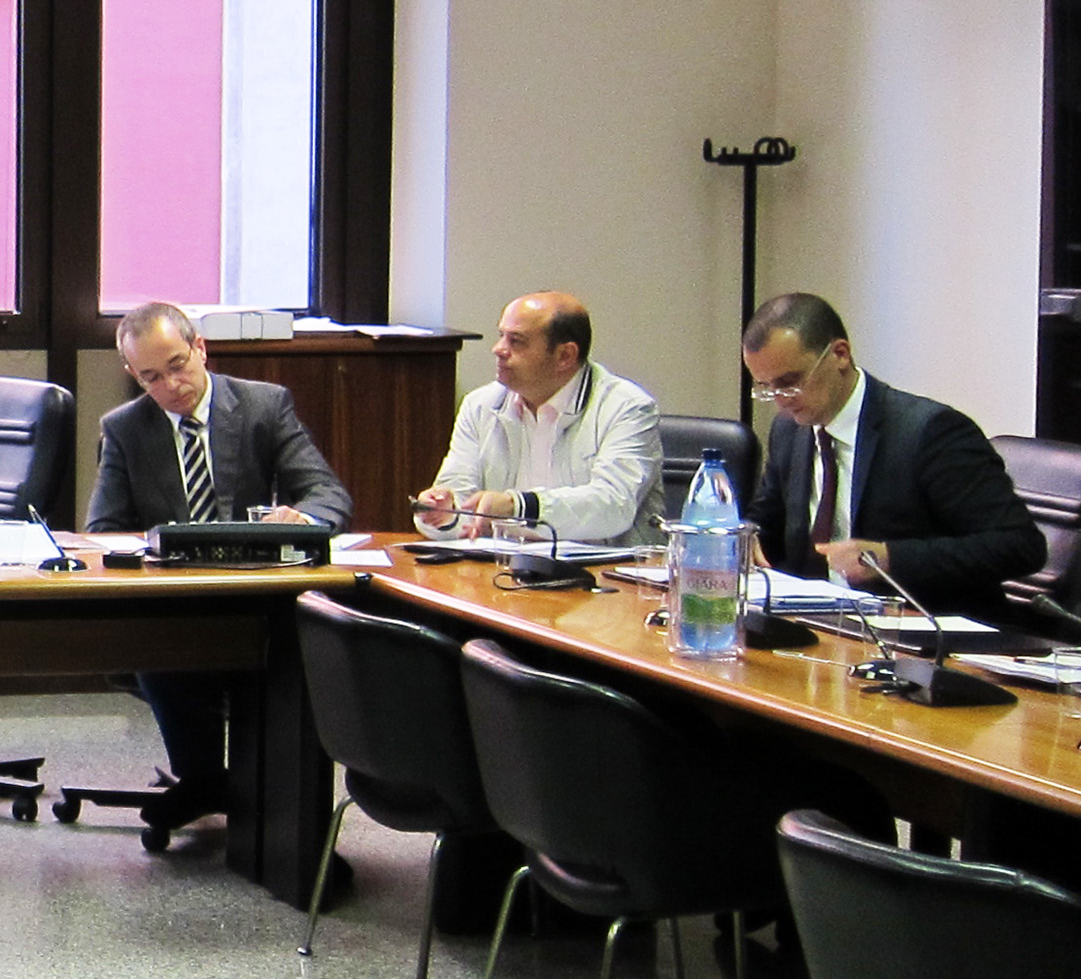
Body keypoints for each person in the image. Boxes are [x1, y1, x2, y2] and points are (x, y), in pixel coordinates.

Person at [86, 302, 352, 832]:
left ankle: (286, 816)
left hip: (261, 599)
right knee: (160, 644)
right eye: (151, 377)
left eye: (178, 365)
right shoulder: (125, 429)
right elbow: (103, 531)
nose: (172, 386)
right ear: (133, 375)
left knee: (291, 649)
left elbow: (327, 494)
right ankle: (204, 779)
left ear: (200, 349)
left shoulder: (262, 406)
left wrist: (301, 519)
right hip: (175, 603)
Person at [740, 291, 1041, 611]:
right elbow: (768, 520)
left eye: (790, 382)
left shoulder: (929, 432)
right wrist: (746, 537)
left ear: (840, 354)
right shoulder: (789, 431)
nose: (781, 400)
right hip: (820, 621)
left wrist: (889, 558)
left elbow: (1020, 545)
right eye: (767, 387)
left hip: (921, 624)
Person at [416, 292, 664, 547]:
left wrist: (519, 506)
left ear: (565, 356)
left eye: (516, 341)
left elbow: (613, 506)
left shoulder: (627, 407)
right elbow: (459, 502)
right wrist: (443, 514)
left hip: (602, 567)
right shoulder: (480, 405)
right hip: (500, 565)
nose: (498, 349)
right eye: (501, 335)